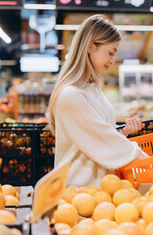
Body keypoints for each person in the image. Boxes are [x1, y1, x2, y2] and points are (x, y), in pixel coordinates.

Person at [48, 14, 147, 187]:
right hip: (79, 192)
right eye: (110, 53)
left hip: (101, 187)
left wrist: (122, 133)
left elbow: (96, 135)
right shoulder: (70, 95)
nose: (112, 60)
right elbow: (100, 139)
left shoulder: (92, 88)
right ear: (90, 46)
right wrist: (146, 159)